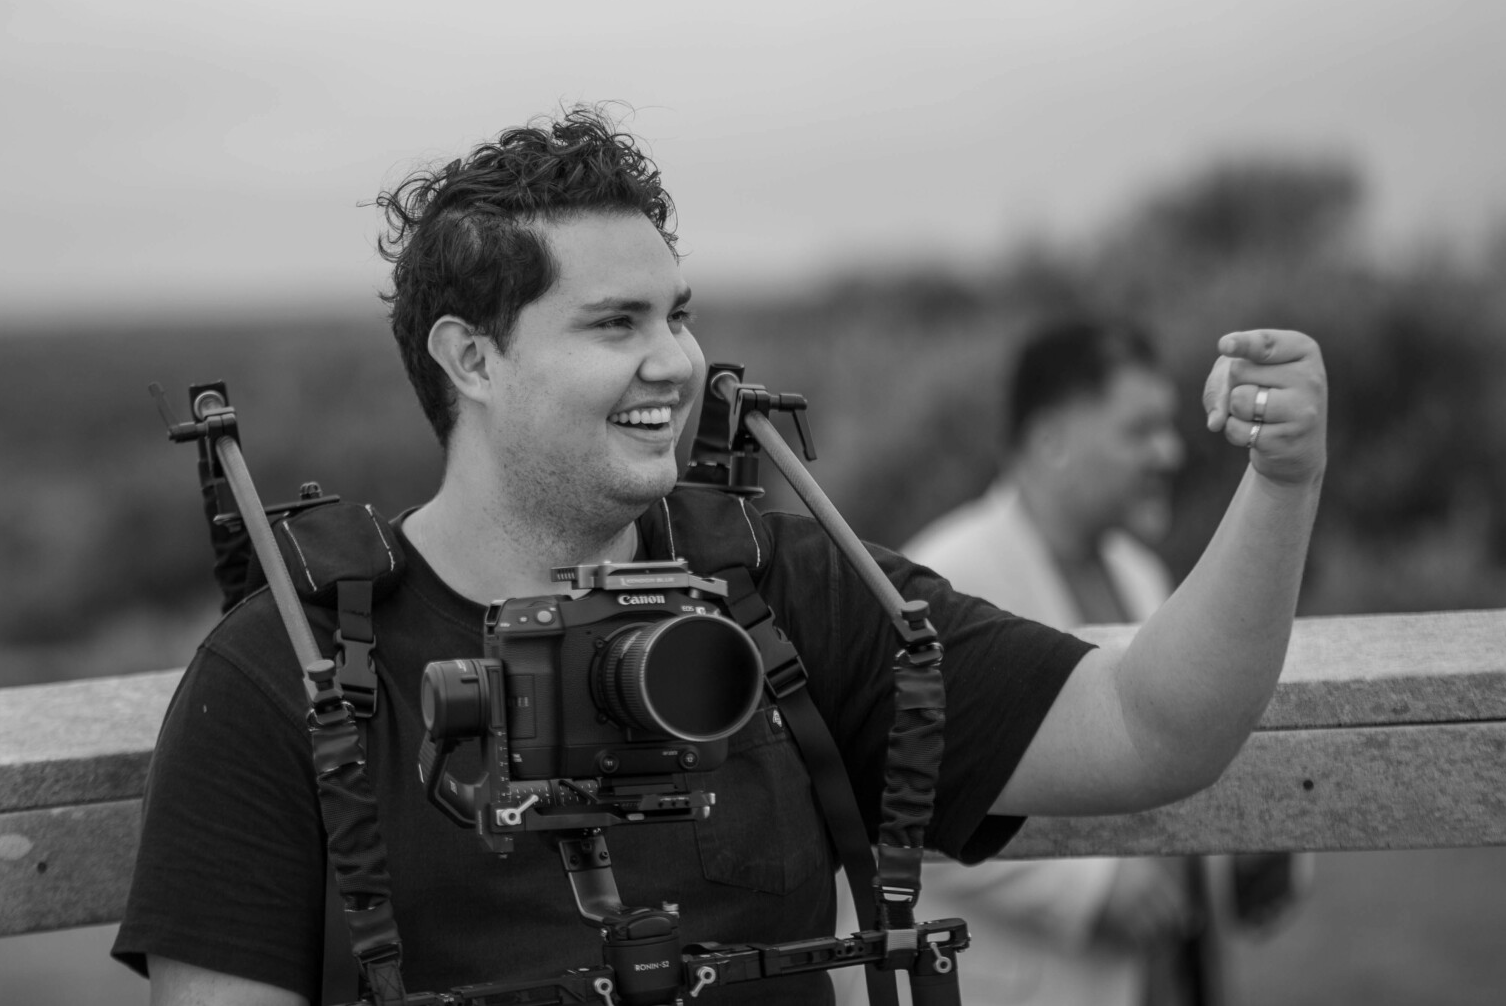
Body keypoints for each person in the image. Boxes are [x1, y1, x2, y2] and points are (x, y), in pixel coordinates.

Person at [111, 108, 1328, 1006]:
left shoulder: (779, 591)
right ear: (470, 360)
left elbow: (1150, 728)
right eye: (614, 324)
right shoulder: (284, 678)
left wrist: (1279, 484)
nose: (677, 363)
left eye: (677, 314)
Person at [859, 319, 1304, 1006]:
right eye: (1141, 430)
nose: (1169, 452)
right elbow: (886, 804)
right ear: (1051, 440)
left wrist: (1241, 858)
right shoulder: (943, 578)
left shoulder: (1142, 573)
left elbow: (1159, 754)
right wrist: (1087, 890)